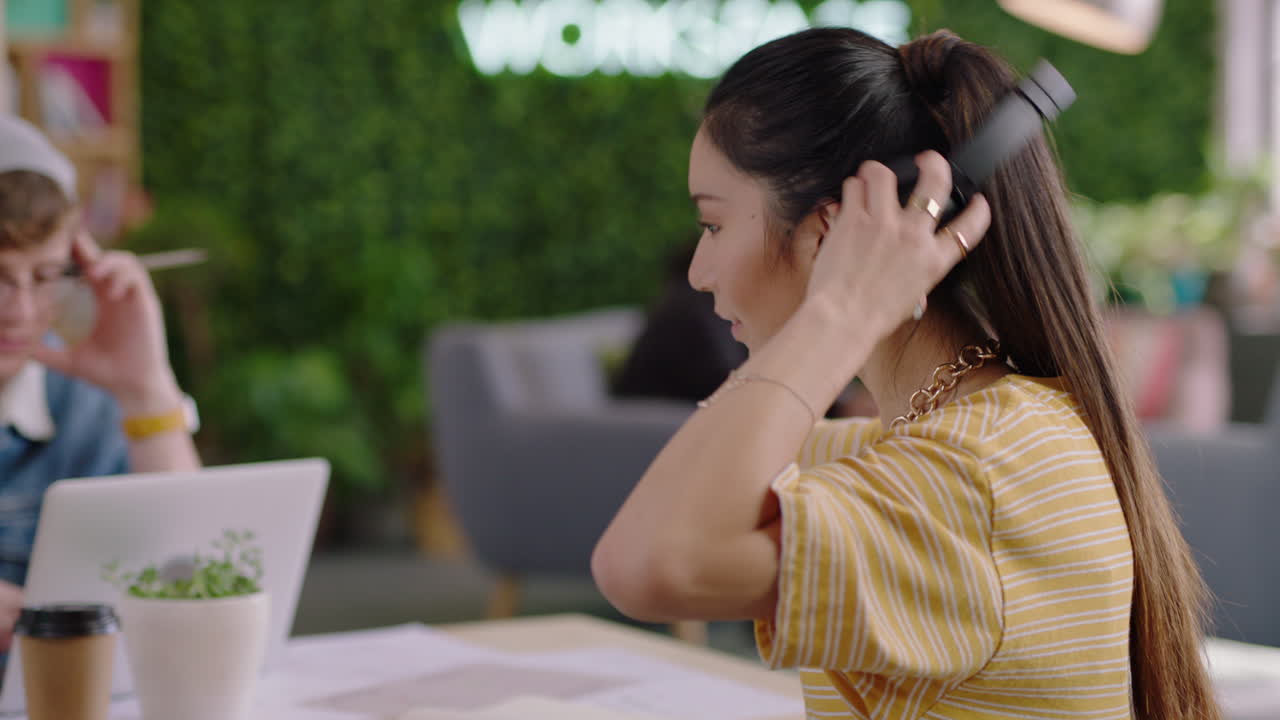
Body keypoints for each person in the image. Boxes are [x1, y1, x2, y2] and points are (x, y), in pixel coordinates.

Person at [592, 28, 1219, 720]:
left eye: (712, 226)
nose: (697, 272)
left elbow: (645, 565)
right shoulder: (971, 432)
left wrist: (843, 310)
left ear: (831, 235)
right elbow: (706, 481)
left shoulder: (968, 481)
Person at [0, 116, 201, 653]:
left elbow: (190, 574)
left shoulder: (87, 400)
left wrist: (145, 388)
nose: (18, 311)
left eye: (44, 277)